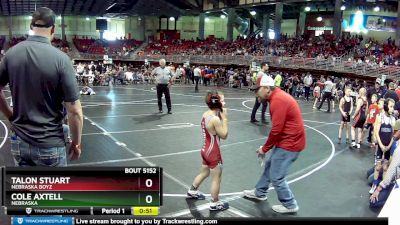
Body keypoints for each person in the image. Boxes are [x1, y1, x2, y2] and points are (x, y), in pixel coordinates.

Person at [0, 7, 83, 166]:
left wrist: (11, 116)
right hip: (50, 144)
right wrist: (77, 143)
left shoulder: (11, 54)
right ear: (53, 28)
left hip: (19, 141)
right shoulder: (61, 59)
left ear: (31, 27)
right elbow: (75, 111)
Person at [243, 75, 306, 214]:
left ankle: (290, 204)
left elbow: (277, 130)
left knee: (276, 176)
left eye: (257, 89)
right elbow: (279, 129)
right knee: (270, 166)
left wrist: (264, 149)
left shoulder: (278, 100)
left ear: (266, 88)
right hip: (287, 140)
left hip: (290, 143)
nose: (255, 93)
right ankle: (260, 192)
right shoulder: (276, 97)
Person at [187, 91, 229, 211]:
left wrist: (220, 115)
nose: (224, 102)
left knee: (205, 172)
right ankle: (215, 203)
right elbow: (224, 135)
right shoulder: (215, 119)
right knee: (216, 179)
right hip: (213, 152)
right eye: (222, 100)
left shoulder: (206, 114)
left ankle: (192, 191)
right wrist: (225, 119)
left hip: (205, 149)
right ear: (216, 103)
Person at [370, 98, 396, 194]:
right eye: (391, 106)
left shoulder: (393, 119)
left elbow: (393, 135)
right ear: (385, 106)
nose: (392, 109)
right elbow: (376, 132)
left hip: (388, 147)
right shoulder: (380, 117)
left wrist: (389, 146)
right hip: (381, 146)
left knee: (385, 167)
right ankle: (374, 184)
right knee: (377, 167)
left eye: (393, 107)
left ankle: (382, 187)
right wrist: (380, 145)